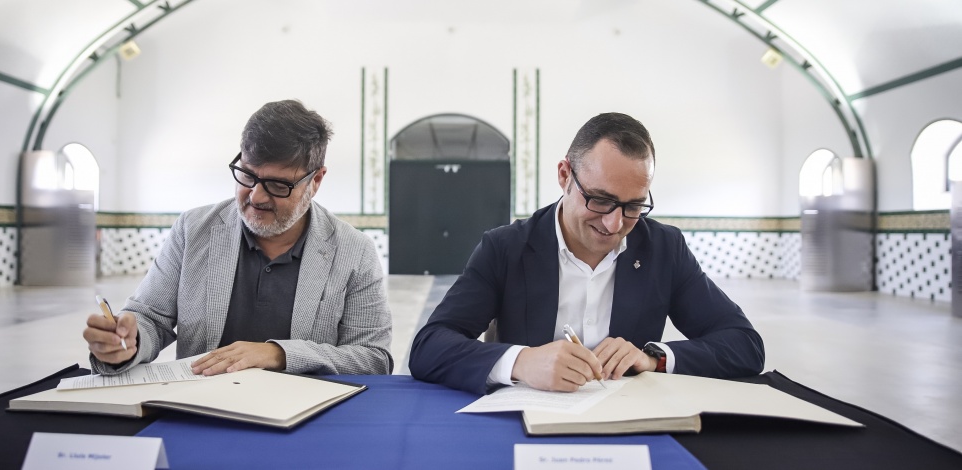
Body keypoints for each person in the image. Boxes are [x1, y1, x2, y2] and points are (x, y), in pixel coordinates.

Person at [409, 112, 764, 394]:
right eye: (600, 200)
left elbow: (744, 344)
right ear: (565, 175)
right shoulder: (506, 247)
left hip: (627, 425)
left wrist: (653, 358)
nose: (614, 224)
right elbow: (430, 346)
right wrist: (522, 362)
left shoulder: (664, 250)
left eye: (634, 206)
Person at [83, 100, 393, 376]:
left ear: (316, 180)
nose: (256, 196)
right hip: (204, 409)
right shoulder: (195, 229)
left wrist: (278, 354)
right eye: (247, 175)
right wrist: (128, 341)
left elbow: (373, 358)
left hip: (304, 420)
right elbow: (150, 316)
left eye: (277, 184)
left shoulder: (355, 252)